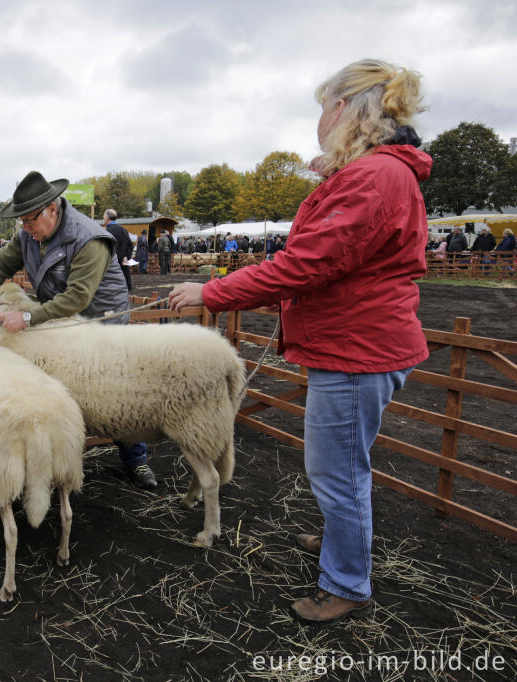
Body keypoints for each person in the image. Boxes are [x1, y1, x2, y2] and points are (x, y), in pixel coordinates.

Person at [169, 58, 431, 624]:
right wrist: (335, 171)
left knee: (338, 473)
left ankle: (345, 584)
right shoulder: (374, 172)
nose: (318, 119)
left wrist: (211, 291)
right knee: (341, 468)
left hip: (356, 348)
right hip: (357, 339)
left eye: (323, 106)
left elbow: (304, 264)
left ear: (345, 110)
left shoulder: (374, 176)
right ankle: (343, 545)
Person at [0, 171, 157, 489]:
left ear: (52, 209)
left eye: (29, 220)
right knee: (57, 390)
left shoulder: (88, 238)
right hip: (59, 323)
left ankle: (135, 458)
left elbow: (77, 297)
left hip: (102, 321)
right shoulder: (29, 235)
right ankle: (60, 459)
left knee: (113, 392)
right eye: (22, 222)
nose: (25, 228)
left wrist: (28, 318)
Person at [103, 209, 133, 291]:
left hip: (111, 266)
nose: (103, 218)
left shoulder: (106, 232)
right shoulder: (123, 230)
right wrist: (127, 256)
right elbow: (130, 245)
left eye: (103, 216)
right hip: (123, 265)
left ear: (107, 218)